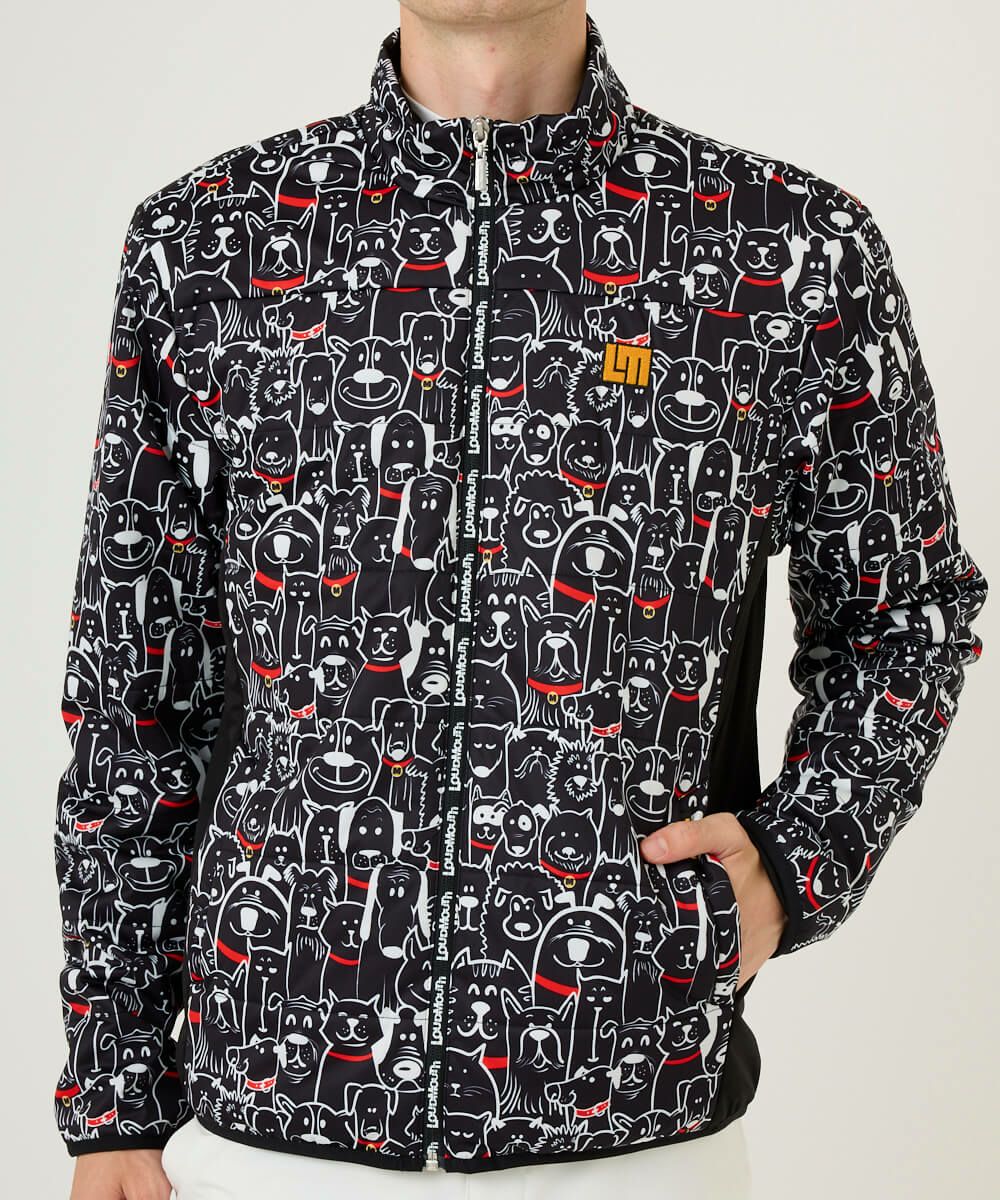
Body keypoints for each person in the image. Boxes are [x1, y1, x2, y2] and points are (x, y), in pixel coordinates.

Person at [55, 3, 988, 1198]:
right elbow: (133, 686)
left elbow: (905, 613)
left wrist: (796, 862)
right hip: (272, 1126)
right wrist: (115, 1103)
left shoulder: (788, 250)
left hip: (640, 1125)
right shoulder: (211, 242)